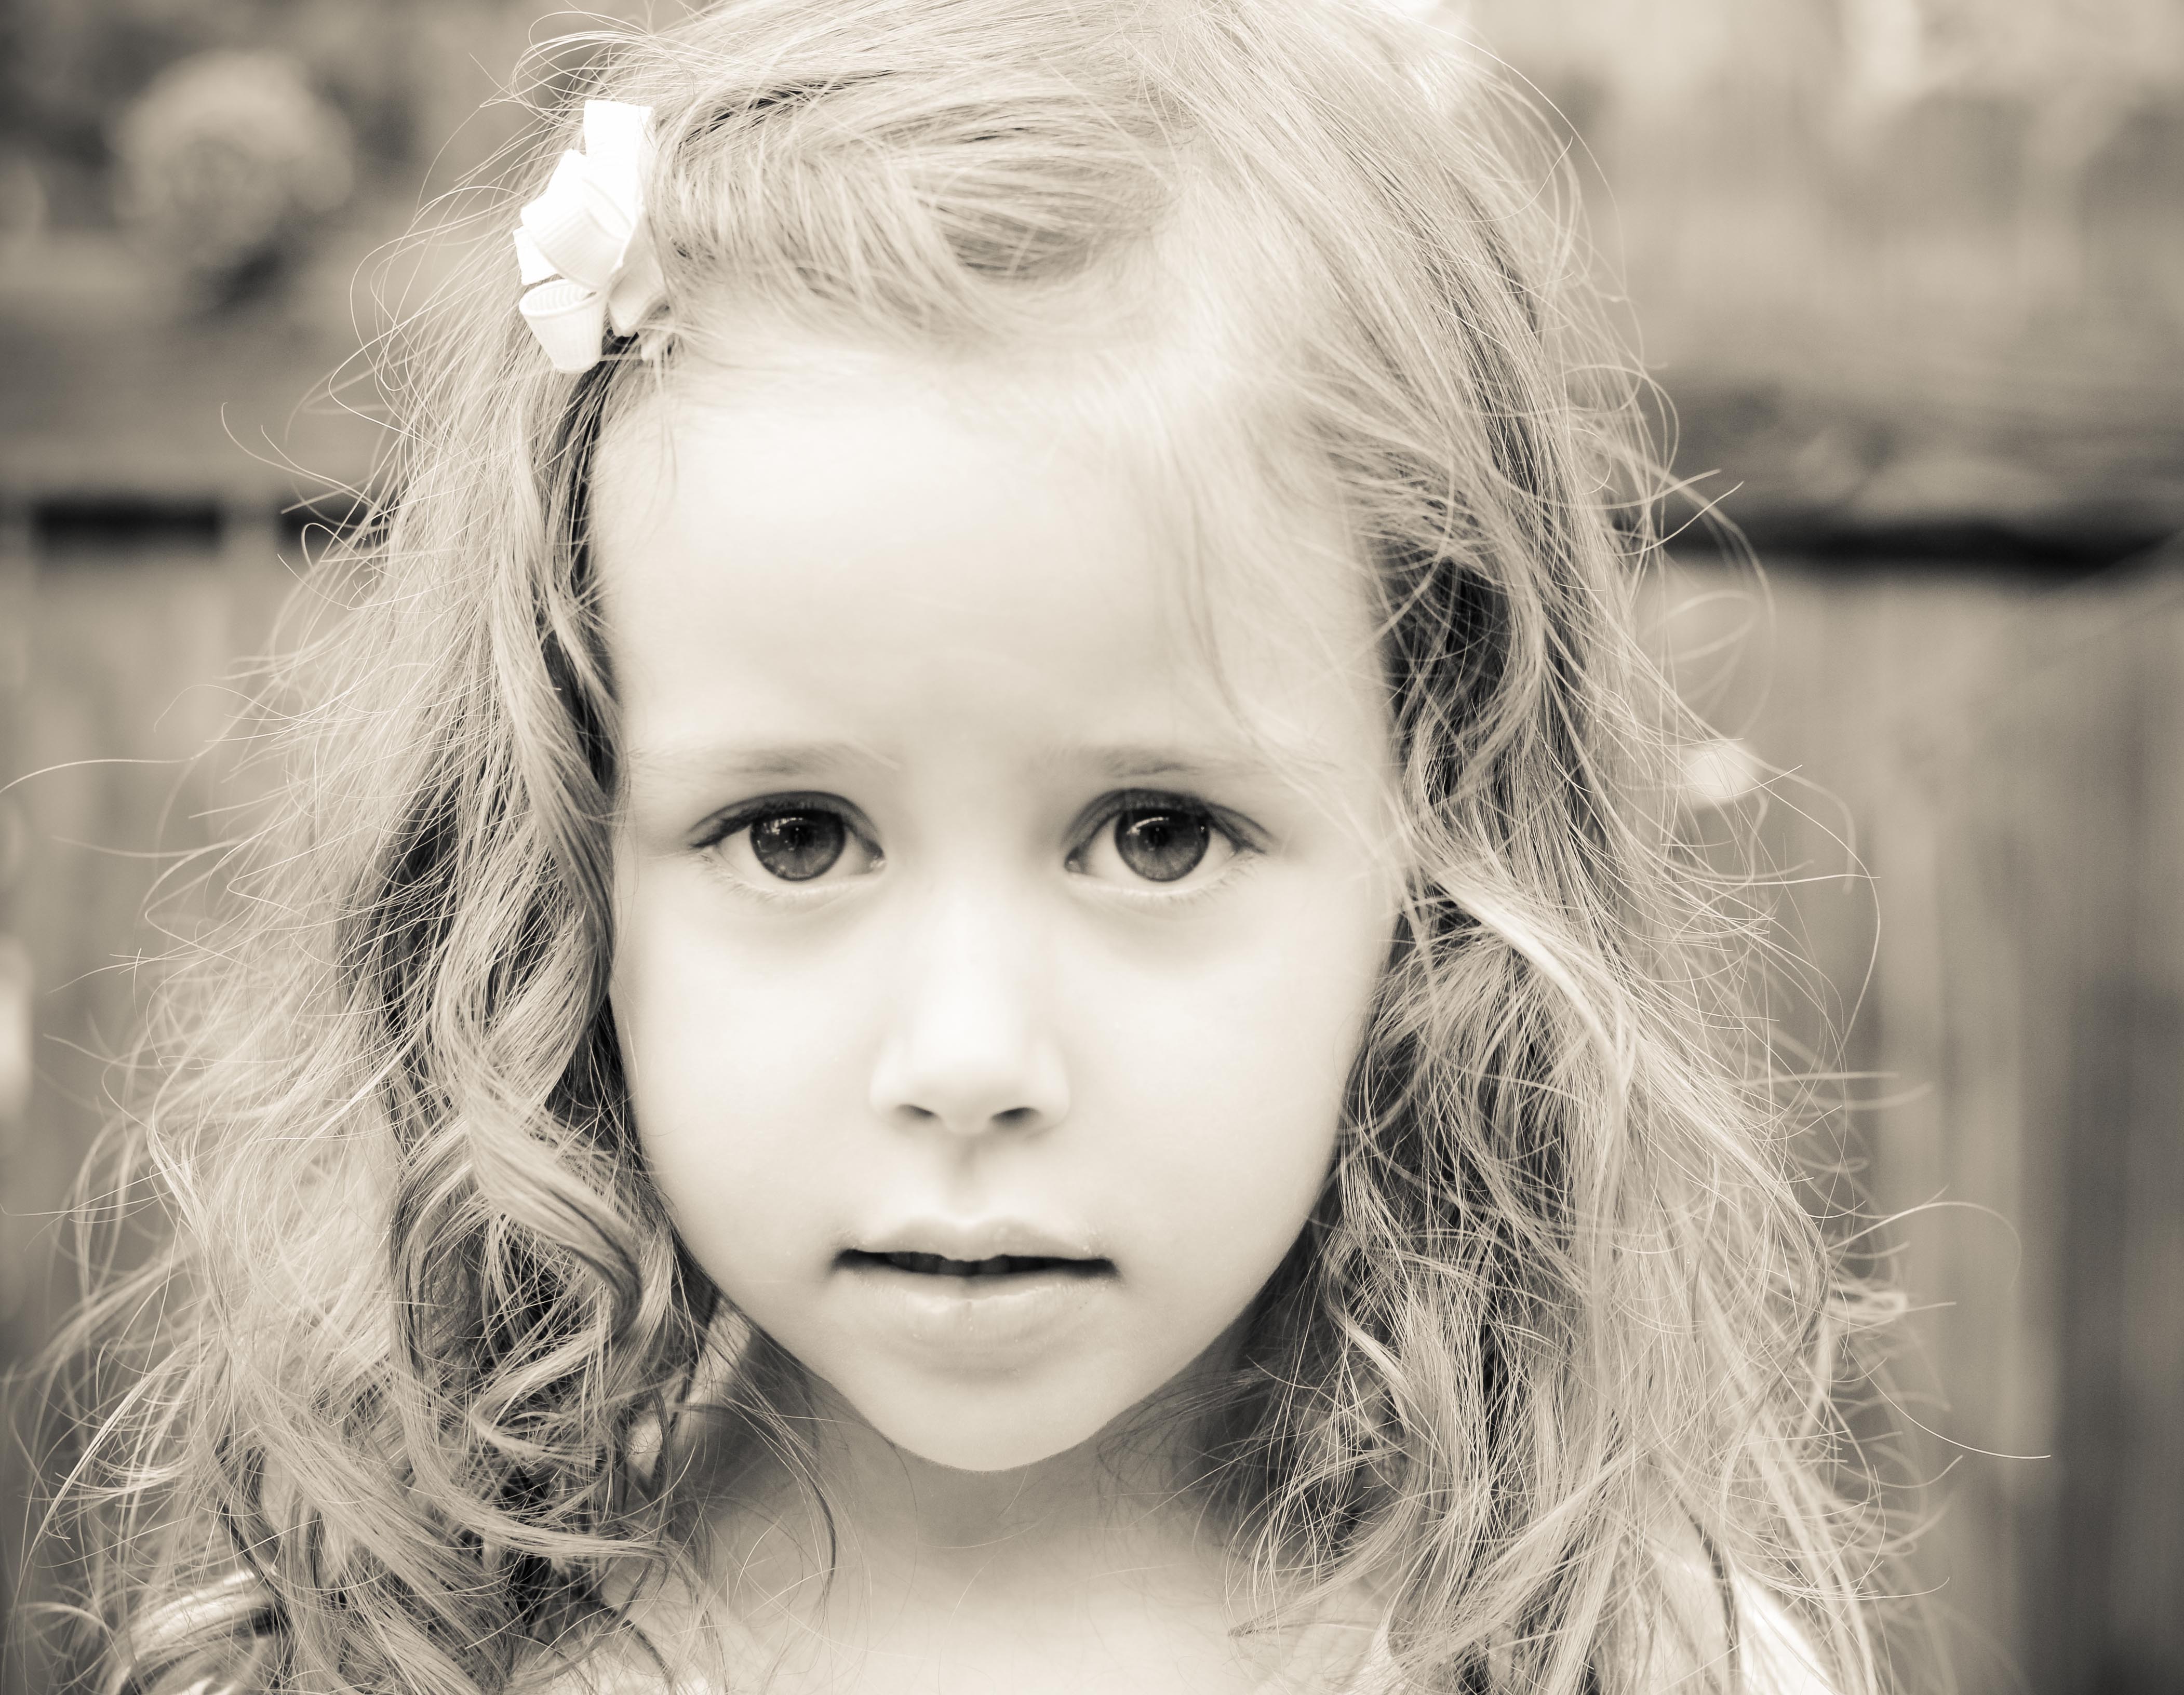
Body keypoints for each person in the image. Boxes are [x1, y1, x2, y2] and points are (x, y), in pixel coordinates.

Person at [31, 2, 1908, 1689]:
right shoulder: (386, 1651)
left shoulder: (1617, 1661)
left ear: (1439, 871)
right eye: (795, 836)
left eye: (1157, 836)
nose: (968, 1059)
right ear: (559, 879)